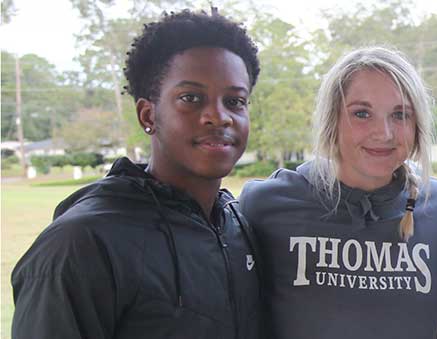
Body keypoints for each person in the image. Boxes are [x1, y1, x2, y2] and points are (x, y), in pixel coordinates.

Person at [11, 9, 262, 339]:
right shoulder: (81, 243)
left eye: (235, 101)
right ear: (148, 114)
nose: (218, 117)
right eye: (191, 98)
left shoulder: (238, 226)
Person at [238, 46, 437, 338]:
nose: (383, 133)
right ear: (332, 120)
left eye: (400, 114)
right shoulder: (266, 206)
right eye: (361, 113)